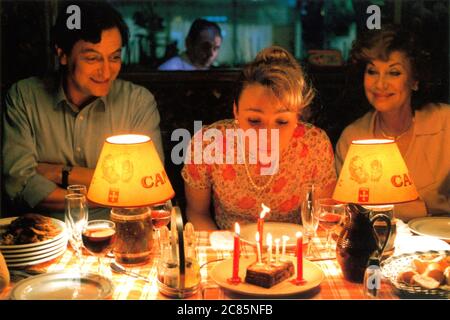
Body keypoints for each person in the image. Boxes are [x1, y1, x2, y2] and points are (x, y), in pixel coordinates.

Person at [3, 2, 164, 220]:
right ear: (63, 54)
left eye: (114, 57)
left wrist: (59, 173)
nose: (106, 71)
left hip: (119, 227)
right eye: (93, 58)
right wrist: (116, 191)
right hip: (45, 233)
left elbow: (148, 183)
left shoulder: (137, 101)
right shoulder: (24, 97)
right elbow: (19, 184)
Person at [182, 46, 337, 230]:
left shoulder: (314, 144)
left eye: (281, 121)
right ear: (236, 111)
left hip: (294, 252)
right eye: (255, 120)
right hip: (229, 250)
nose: (267, 135)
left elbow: (322, 220)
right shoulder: (208, 144)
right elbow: (197, 213)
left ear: (297, 117)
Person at [335, 25, 450, 221]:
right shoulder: (352, 138)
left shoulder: (445, 124)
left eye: (394, 73)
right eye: (372, 72)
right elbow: (349, 212)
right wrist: (421, 208)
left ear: (415, 80)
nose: (380, 84)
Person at [158, 18, 222, 71]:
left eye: (216, 48)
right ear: (189, 44)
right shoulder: (169, 69)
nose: (211, 54)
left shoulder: (211, 70)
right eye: (205, 47)